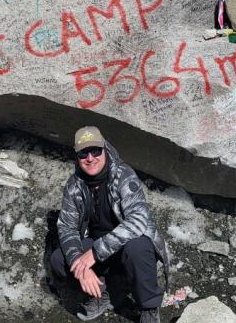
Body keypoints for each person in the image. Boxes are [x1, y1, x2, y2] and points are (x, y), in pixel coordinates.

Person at [50, 126, 169, 323]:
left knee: (138, 247)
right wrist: (82, 266)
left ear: (104, 149)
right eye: (83, 153)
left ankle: (149, 307)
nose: (90, 158)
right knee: (60, 259)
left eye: (95, 150)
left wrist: (94, 252)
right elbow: (67, 227)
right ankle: (102, 292)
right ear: (77, 156)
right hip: (99, 251)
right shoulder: (74, 185)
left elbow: (138, 221)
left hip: (127, 249)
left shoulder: (124, 175)